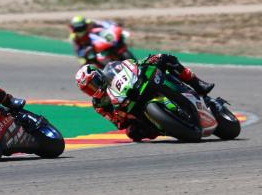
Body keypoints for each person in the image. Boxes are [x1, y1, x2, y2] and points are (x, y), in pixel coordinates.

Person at [75, 54, 215, 142]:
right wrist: (120, 117)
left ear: (99, 76)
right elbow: (116, 123)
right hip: (133, 110)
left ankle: (197, 83)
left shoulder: (113, 71)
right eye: (88, 89)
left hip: (138, 86)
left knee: (163, 58)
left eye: (92, 84)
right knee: (133, 133)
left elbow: (129, 64)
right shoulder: (99, 104)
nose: (92, 90)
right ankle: (171, 127)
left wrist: (143, 63)